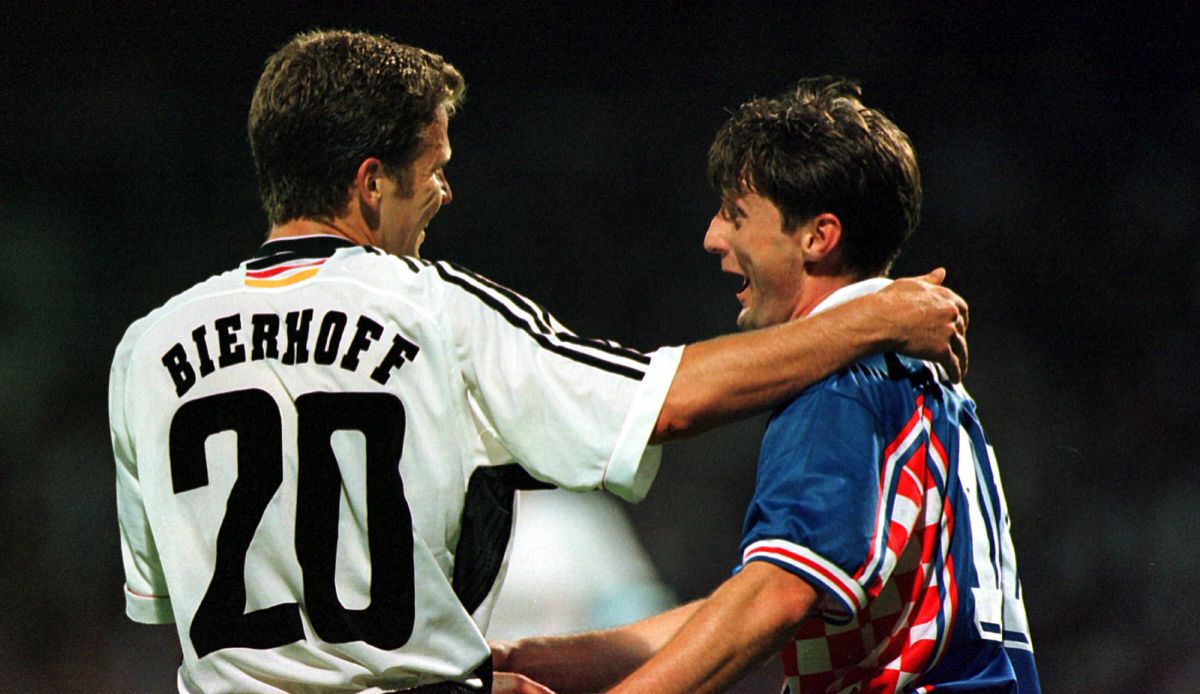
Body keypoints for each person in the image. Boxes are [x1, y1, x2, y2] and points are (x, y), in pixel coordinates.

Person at [109, 29, 968, 694]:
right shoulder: (435, 310)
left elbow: (171, 605)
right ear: (370, 183)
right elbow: (665, 402)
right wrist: (872, 320)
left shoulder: (145, 350)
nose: (445, 191)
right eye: (433, 169)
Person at [491, 77, 1039, 693]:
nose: (712, 237)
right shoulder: (916, 375)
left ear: (817, 237)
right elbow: (754, 601)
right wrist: (529, 659)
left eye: (736, 214)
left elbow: (775, 598)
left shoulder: (840, 384)